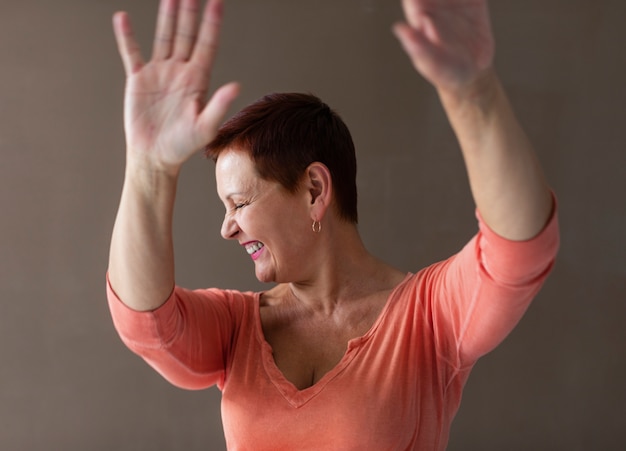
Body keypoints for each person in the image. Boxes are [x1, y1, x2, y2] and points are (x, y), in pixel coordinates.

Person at [107, 0, 559, 449]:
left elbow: (518, 252)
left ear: (315, 191)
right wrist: (150, 168)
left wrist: (475, 95)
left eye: (239, 202)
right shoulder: (236, 326)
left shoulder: (428, 317)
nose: (227, 228)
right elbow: (147, 323)